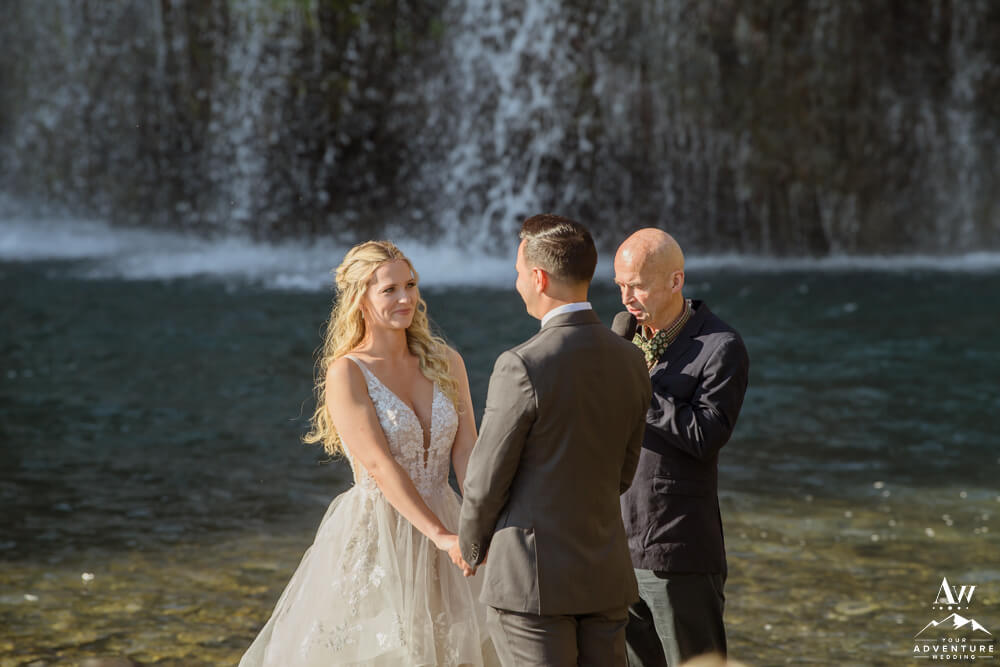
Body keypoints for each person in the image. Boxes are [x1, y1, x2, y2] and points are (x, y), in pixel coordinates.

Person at [239, 241, 498, 666]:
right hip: (382, 530)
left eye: (410, 285)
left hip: (450, 521)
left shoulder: (447, 361)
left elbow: (468, 448)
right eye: (389, 290)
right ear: (360, 298)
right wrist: (439, 536)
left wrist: (481, 518)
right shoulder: (347, 371)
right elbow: (379, 464)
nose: (405, 298)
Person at [456, 214, 652, 667]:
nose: (517, 283)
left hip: (531, 581)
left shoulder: (522, 364)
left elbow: (487, 477)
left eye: (519, 272)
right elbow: (624, 473)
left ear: (539, 278)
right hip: (605, 574)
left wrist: (471, 546)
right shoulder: (631, 359)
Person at [613, 229, 750, 667]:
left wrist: (638, 387)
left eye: (637, 286)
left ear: (676, 281)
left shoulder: (721, 346)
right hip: (615, 543)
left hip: (677, 548)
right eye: (620, 285)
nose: (626, 298)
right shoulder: (622, 335)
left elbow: (705, 435)